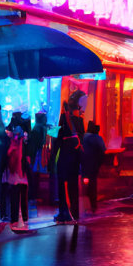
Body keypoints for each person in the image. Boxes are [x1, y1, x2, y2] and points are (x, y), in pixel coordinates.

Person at [54, 91, 86, 224]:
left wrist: (51, 158)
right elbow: (82, 138)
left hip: (64, 157)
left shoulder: (62, 121)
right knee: (73, 186)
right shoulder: (79, 121)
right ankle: (75, 212)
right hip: (75, 158)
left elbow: (56, 139)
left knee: (62, 186)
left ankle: (64, 212)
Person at [2, 124, 30, 231]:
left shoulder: (13, 142)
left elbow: (10, 157)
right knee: (21, 196)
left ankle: (16, 218)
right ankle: (21, 218)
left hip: (16, 174)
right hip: (20, 174)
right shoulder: (23, 142)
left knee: (15, 196)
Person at [81, 121, 106, 212]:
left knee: (85, 182)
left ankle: (85, 202)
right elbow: (103, 150)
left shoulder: (83, 137)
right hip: (94, 164)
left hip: (84, 163)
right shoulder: (97, 138)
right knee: (93, 183)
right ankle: (93, 204)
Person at [26, 111, 48, 202]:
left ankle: (33, 195)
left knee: (34, 175)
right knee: (34, 176)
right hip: (37, 155)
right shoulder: (39, 129)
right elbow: (35, 145)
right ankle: (32, 195)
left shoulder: (37, 128)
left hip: (37, 155)